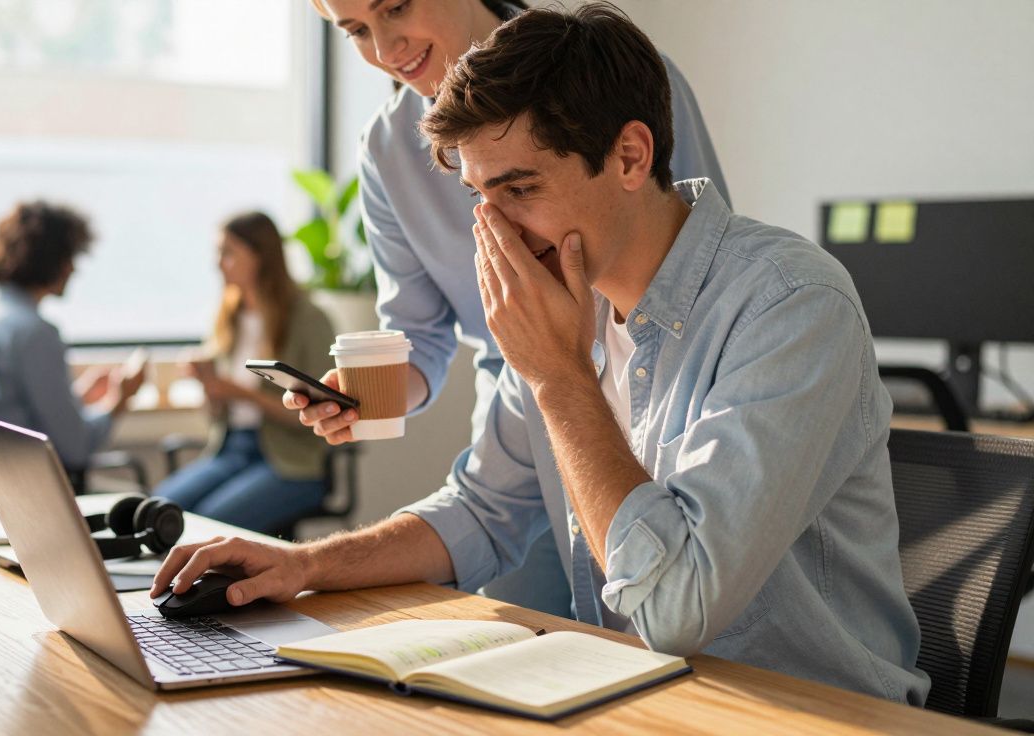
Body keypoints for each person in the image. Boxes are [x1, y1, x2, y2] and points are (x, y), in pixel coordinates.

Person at [151, 5, 929, 703]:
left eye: (520, 191)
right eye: (478, 199)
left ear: (630, 157)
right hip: (642, 697)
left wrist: (560, 377)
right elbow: (480, 513)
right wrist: (305, 566)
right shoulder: (563, 303)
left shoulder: (789, 305)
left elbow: (675, 609)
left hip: (809, 713)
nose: (494, 236)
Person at [297, 0, 729, 617]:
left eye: (395, 7)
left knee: (657, 601)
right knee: (526, 622)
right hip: (524, 399)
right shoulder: (388, 149)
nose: (387, 49)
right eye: (357, 31)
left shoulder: (606, 75)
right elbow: (421, 339)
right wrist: (370, 397)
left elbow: (695, 245)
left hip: (660, 385)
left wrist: (575, 370)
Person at [152, 212, 337, 536]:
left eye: (228, 252)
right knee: (156, 510)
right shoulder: (229, 319)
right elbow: (216, 414)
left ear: (260, 256)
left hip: (289, 461)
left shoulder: (308, 320)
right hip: (231, 449)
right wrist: (209, 387)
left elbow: (320, 414)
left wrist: (241, 393)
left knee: (208, 526)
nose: (218, 264)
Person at [0, 201, 144, 499]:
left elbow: (4, 407)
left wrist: (77, 396)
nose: (74, 269)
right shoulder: (35, 333)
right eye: (71, 258)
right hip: (33, 492)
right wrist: (119, 401)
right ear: (54, 261)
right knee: (143, 501)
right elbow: (75, 450)